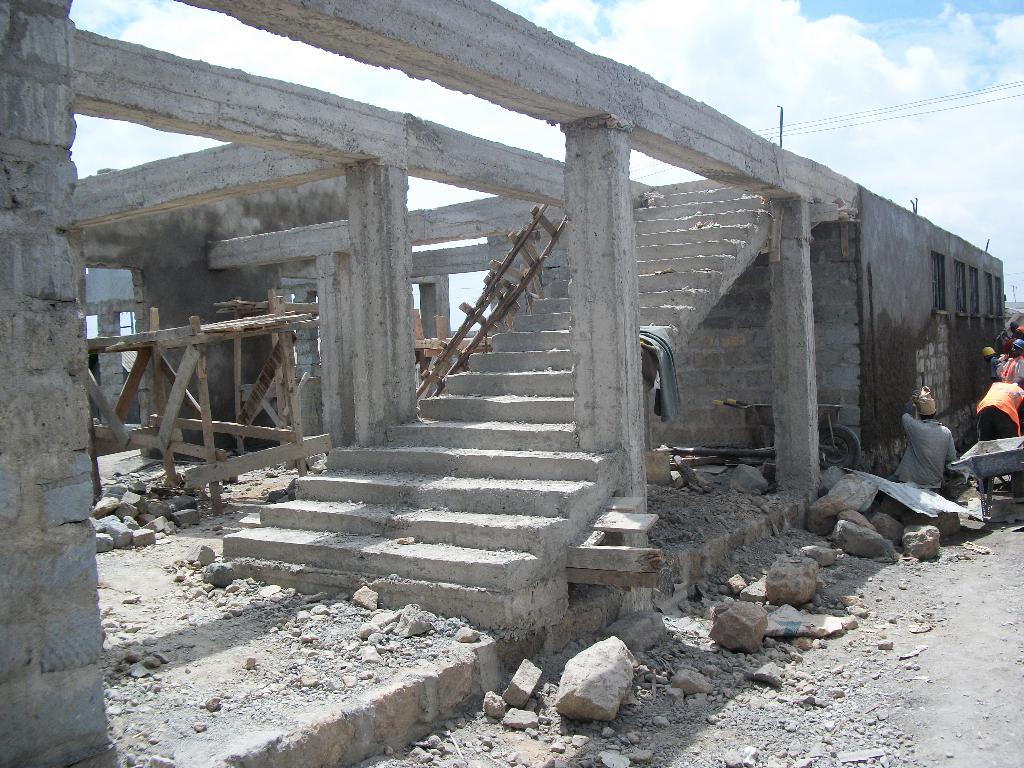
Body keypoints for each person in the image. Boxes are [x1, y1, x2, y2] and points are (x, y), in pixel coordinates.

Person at [892, 386, 957, 490]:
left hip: (909, 480)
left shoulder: (914, 427)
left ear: (919, 413)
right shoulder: (946, 432)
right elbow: (951, 459)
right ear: (935, 412)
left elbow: (904, 413)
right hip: (933, 483)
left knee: (882, 486)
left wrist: (911, 400)